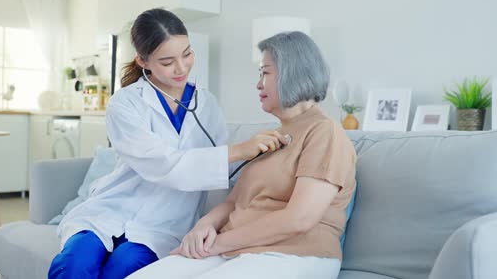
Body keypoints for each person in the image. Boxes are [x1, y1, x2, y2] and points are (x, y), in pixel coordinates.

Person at [48, 8, 288, 279]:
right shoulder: (125, 103)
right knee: (74, 264)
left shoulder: (206, 104)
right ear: (143, 61)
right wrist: (238, 149)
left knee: (123, 268)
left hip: (164, 223)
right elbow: (162, 163)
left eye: (187, 54)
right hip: (111, 209)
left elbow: (222, 179)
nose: (182, 68)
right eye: (167, 61)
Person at [129, 31, 357, 279]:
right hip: (237, 250)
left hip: (294, 253)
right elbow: (232, 203)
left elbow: (299, 218)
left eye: (265, 73)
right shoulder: (270, 137)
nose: (258, 84)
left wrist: (216, 244)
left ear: (292, 73)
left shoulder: (324, 131)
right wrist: (202, 227)